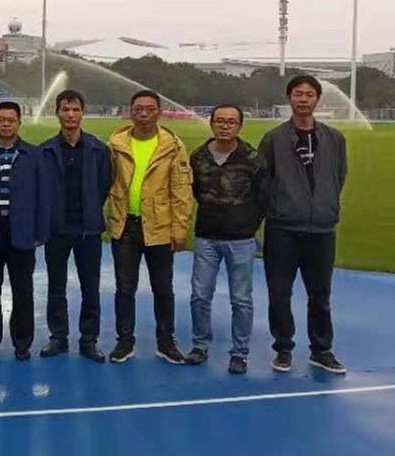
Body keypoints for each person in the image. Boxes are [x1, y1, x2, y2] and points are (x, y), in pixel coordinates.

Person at [259, 75, 348, 375]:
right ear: (289, 98)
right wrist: (281, 207)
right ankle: (283, 348)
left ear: (317, 99)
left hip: (321, 229)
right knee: (279, 293)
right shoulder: (273, 139)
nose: (304, 99)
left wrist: (325, 206)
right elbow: (264, 181)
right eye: (298, 93)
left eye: (310, 94)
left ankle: (321, 350)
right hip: (282, 228)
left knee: (320, 295)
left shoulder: (334, 138)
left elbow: (339, 176)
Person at [106, 90, 194, 366]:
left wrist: (180, 229)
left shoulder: (173, 146)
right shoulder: (116, 144)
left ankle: (166, 343)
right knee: (124, 288)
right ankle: (125, 341)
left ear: (159, 112)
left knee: (163, 288)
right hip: (125, 226)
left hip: (159, 226)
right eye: (138, 109)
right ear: (131, 112)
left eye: (150, 109)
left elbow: (181, 190)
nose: (144, 114)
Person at [187, 104, 269, 375]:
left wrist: (248, 224)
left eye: (231, 122)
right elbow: (194, 192)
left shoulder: (252, 159)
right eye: (220, 121)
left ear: (240, 126)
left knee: (241, 299)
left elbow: (263, 197)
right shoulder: (198, 157)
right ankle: (200, 345)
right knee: (200, 295)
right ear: (211, 123)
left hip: (241, 239)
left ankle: (240, 353)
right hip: (206, 237)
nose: (225, 126)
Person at [39, 89, 111, 362]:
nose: (70, 115)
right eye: (65, 109)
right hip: (57, 229)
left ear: (82, 112)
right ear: (57, 113)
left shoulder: (98, 149)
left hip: (88, 229)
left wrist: (90, 209)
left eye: (75, 109)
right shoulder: (45, 150)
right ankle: (58, 337)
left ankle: (89, 339)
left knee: (90, 286)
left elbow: (103, 185)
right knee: (56, 286)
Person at [0, 101, 49, 360]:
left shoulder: (34, 155)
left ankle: (22, 341)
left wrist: (40, 232)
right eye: (1, 120)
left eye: (11, 120)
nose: (6, 124)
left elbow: (44, 196)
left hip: (22, 231)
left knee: (23, 289)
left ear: (19, 123)